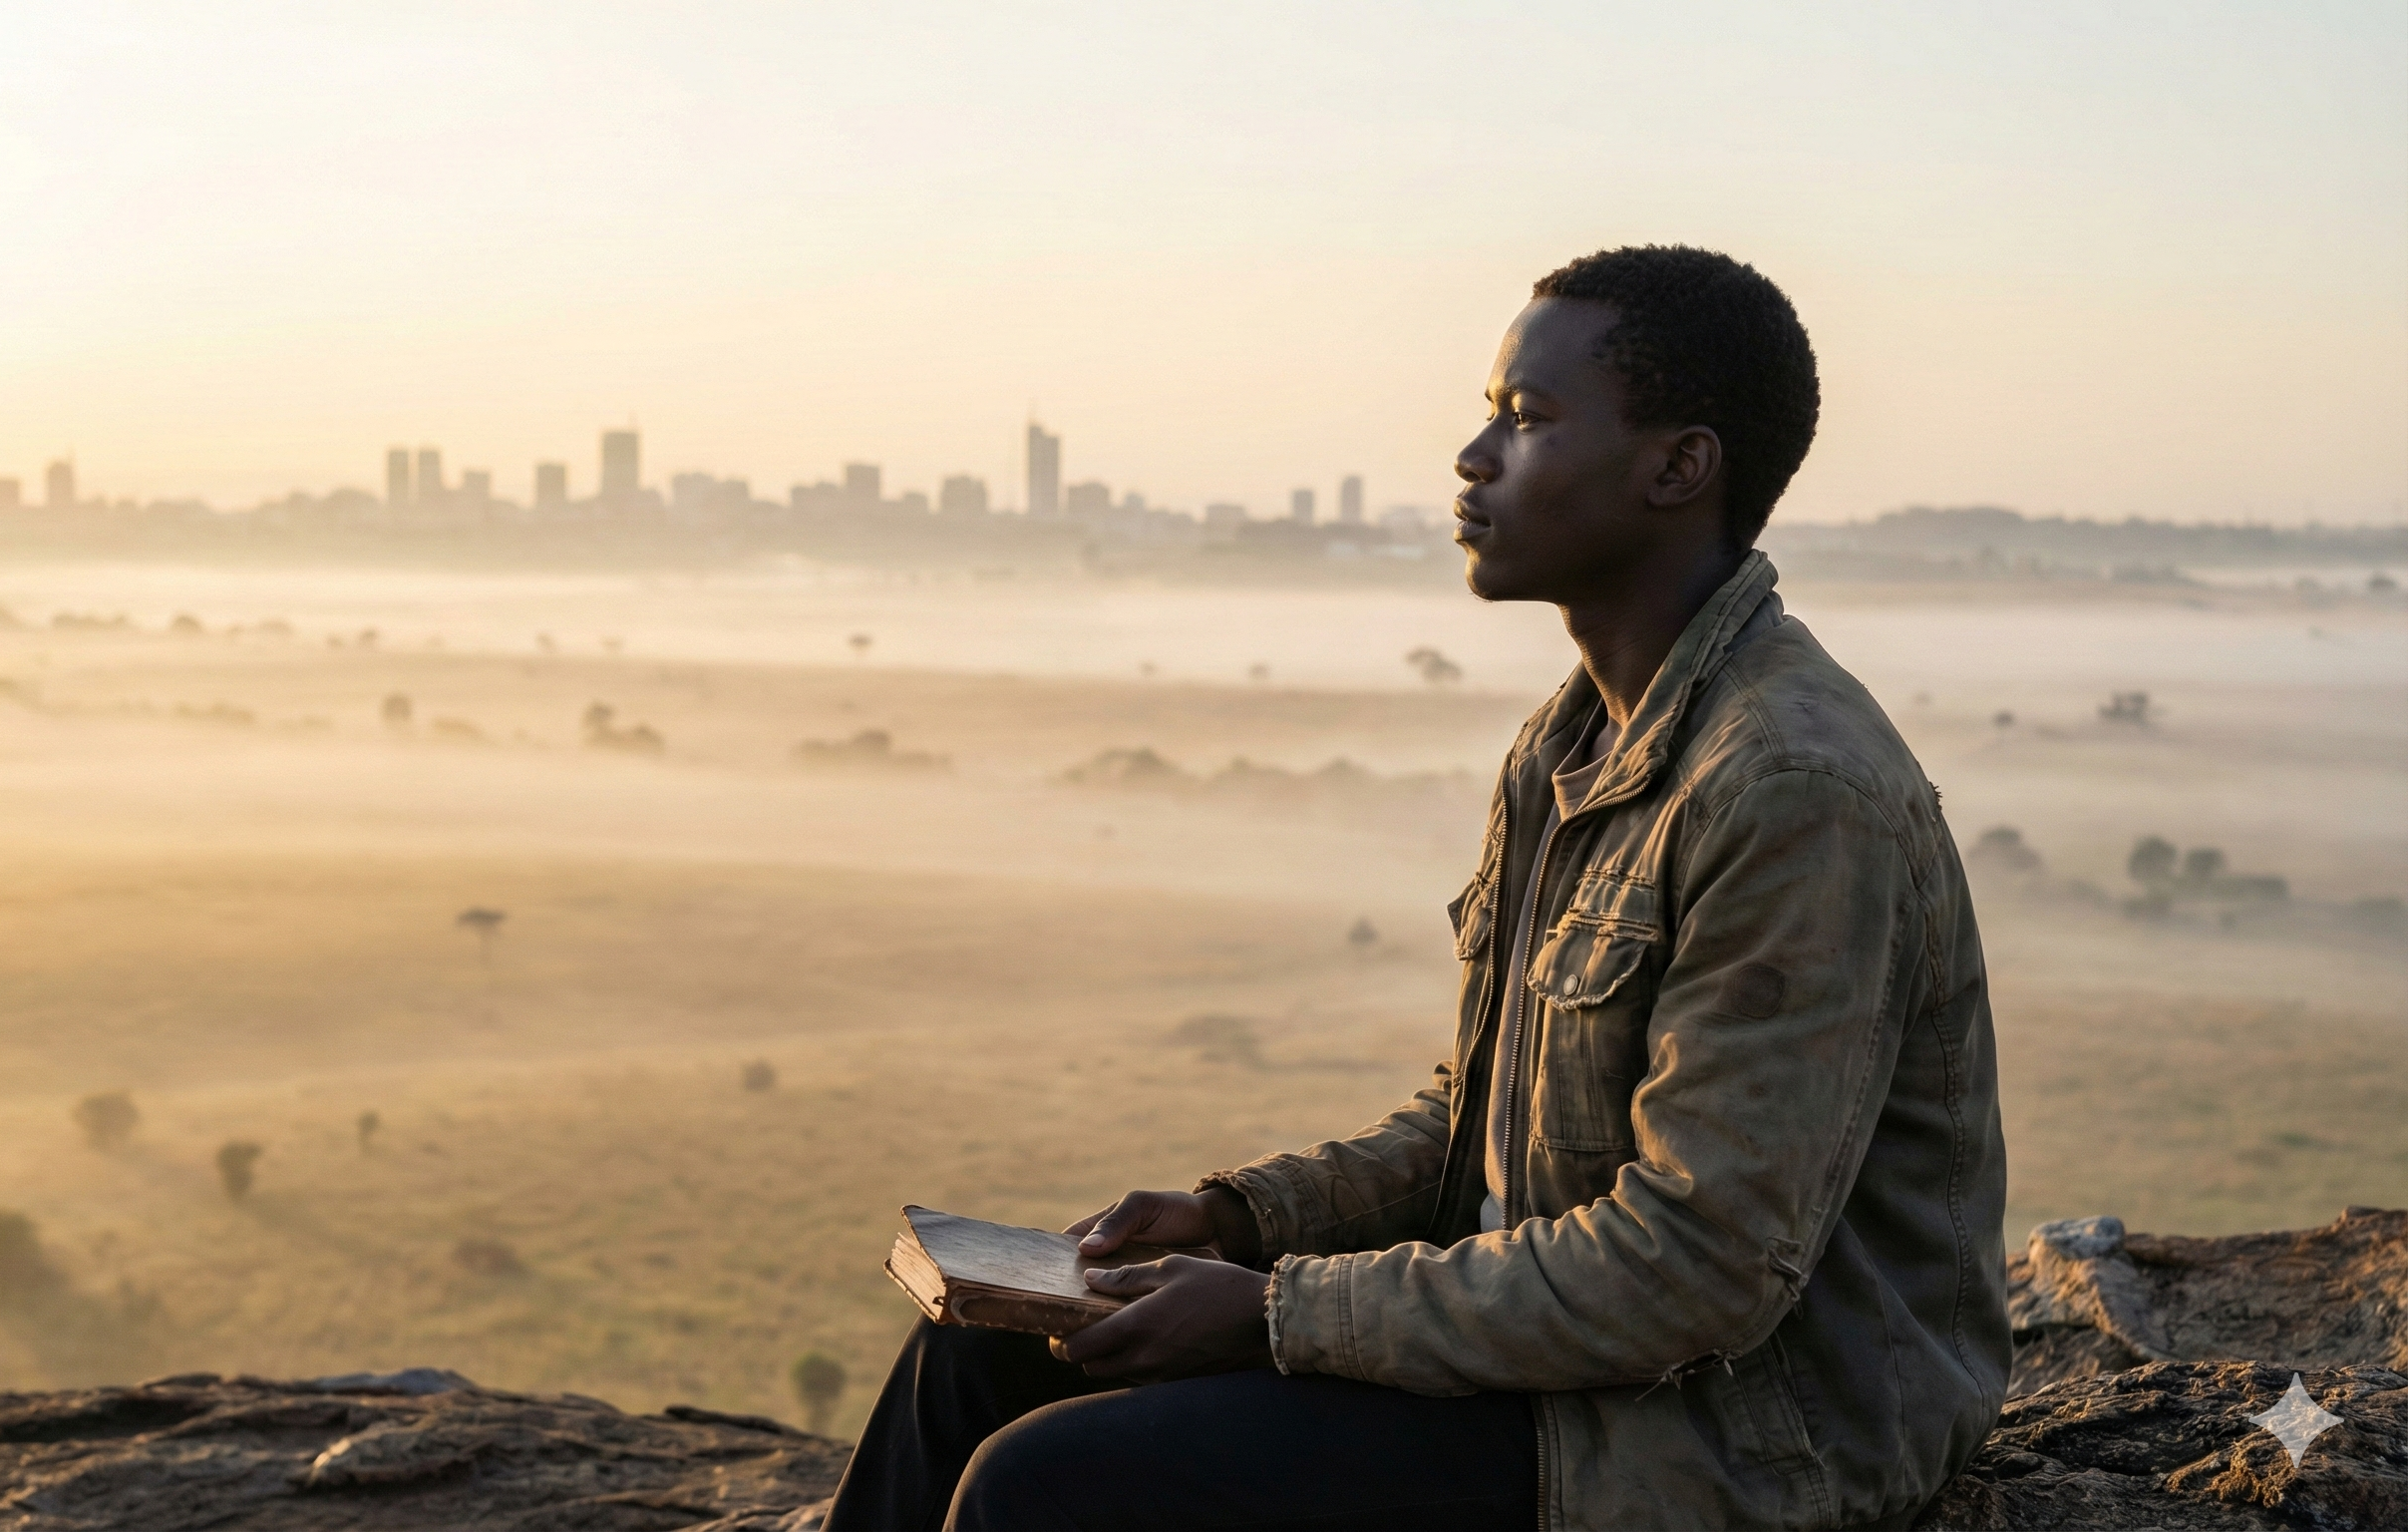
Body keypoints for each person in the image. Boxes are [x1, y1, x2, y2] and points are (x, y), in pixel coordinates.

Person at [827, 245, 2009, 1532]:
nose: (1474, 456)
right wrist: (1242, 1220)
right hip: (1566, 1357)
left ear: (1679, 467)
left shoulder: (1790, 788)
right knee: (981, 1355)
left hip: (1735, 1429)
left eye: (1529, 419)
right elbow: (1488, 1121)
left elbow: (1699, 1268)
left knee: (1045, 1492)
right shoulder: (1573, 747)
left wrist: (1278, 1316)